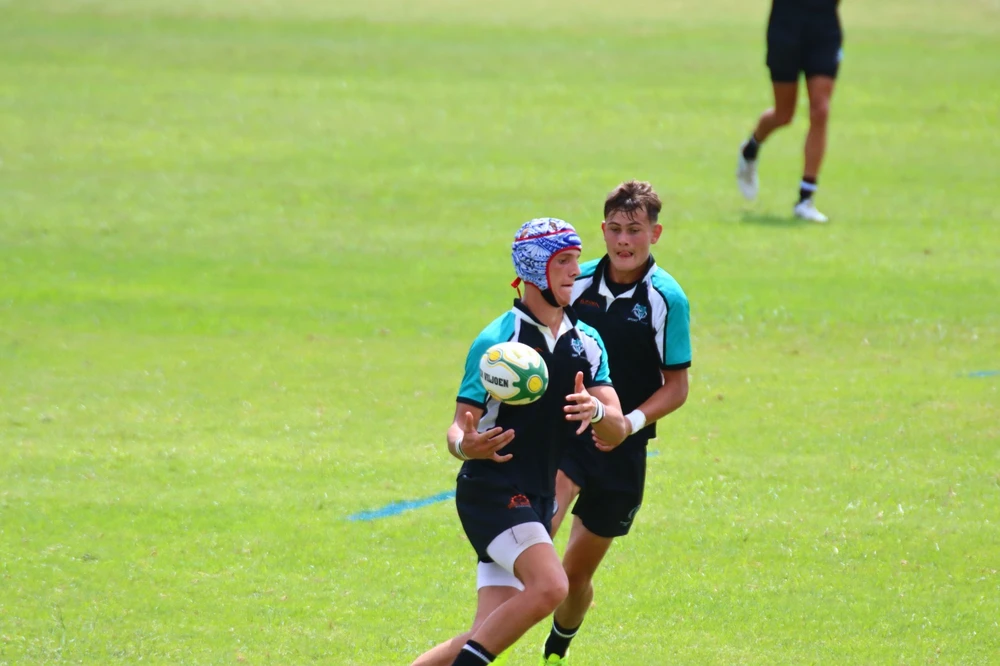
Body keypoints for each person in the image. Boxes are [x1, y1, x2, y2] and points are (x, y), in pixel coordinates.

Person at [411, 218, 629, 666]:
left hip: (538, 497)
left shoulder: (587, 342)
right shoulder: (498, 343)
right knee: (551, 586)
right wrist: (466, 446)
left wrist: (596, 411)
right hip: (491, 491)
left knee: (485, 631)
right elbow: (458, 428)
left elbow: (618, 429)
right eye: (563, 261)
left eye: (576, 260)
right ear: (534, 269)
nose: (576, 271)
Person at [539, 180, 691, 665]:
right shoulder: (576, 283)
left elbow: (677, 386)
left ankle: (558, 645)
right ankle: (488, 634)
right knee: (540, 530)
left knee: (574, 577)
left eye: (635, 230)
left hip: (623, 449)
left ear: (655, 234)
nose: (624, 241)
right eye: (616, 229)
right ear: (602, 230)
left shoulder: (666, 298)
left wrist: (628, 422)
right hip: (569, 432)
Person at [736, 0, 844, 223]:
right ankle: (750, 149)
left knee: (820, 110)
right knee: (784, 114)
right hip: (786, 24)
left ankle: (805, 199)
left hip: (824, 26)